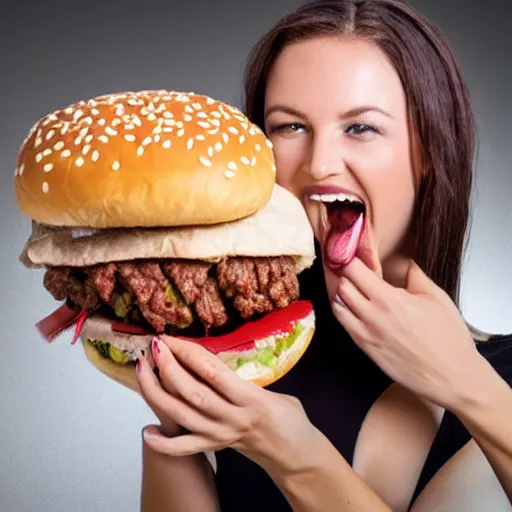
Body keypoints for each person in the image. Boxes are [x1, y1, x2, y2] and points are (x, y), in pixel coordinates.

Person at [136, 1, 512, 510]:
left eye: (360, 128)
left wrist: (469, 384)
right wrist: (176, 413)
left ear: (428, 151)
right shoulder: (242, 362)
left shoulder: (503, 375)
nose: (319, 164)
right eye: (290, 127)